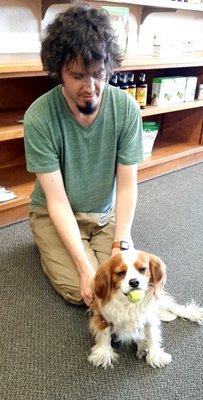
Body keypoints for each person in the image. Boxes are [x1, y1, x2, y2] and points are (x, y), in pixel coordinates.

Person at [24, 4, 143, 307]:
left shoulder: (127, 110)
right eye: (77, 75)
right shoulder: (39, 116)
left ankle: (89, 248)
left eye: (98, 74)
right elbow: (57, 200)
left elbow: (127, 186)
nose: (90, 87)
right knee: (82, 292)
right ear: (59, 71)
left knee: (116, 285)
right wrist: (81, 264)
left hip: (104, 216)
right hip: (56, 213)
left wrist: (122, 242)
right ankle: (49, 243)